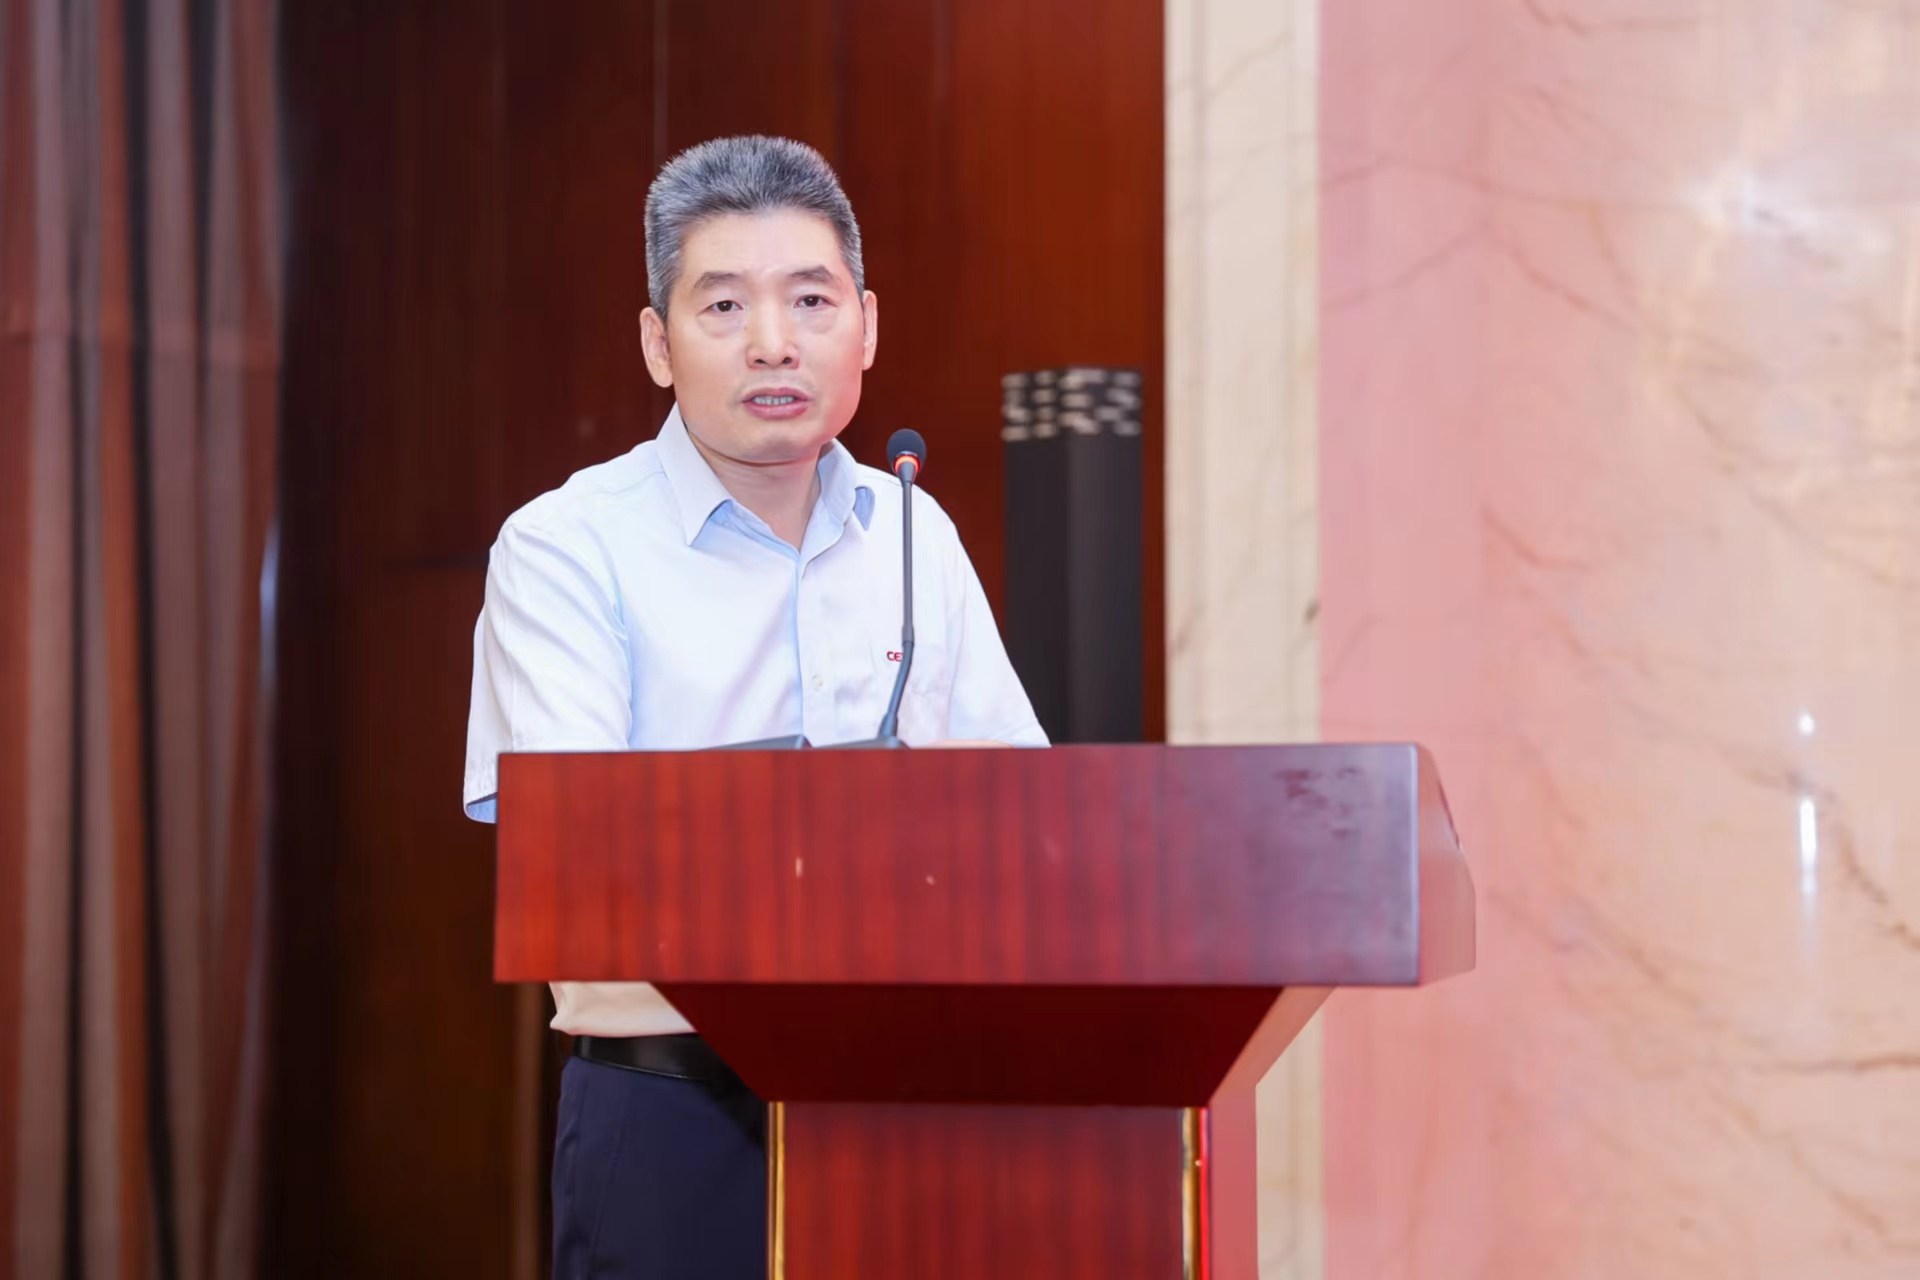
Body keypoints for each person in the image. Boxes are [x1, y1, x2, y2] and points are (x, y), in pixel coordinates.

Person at [461, 135, 1047, 1279]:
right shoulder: (567, 546)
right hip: (673, 1117)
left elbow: (1021, 817)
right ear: (658, 342)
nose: (773, 341)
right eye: (724, 304)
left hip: (916, 1116)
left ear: (865, 326)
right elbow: (579, 853)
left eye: (811, 300)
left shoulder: (914, 530)